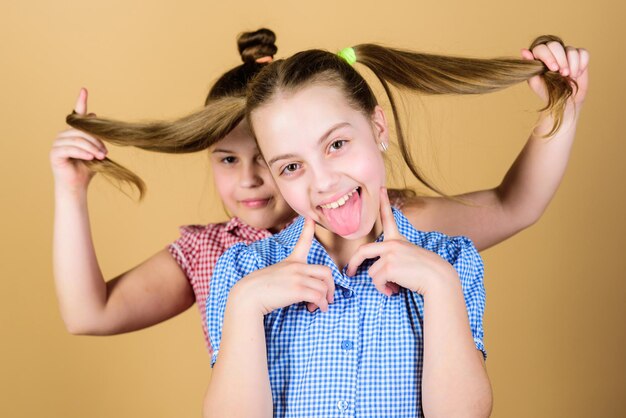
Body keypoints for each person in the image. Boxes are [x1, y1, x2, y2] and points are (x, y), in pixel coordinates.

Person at [53, 28, 587, 355]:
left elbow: (516, 204)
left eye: (268, 161)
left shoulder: (390, 222)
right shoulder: (215, 256)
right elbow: (88, 314)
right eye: (227, 160)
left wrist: (562, 107)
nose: (249, 179)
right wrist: (71, 193)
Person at [202, 36, 588, 417]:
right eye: (291, 166)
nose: (322, 182)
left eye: (336, 144)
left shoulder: (448, 260)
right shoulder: (243, 273)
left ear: (378, 128)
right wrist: (246, 306)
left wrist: (440, 286)